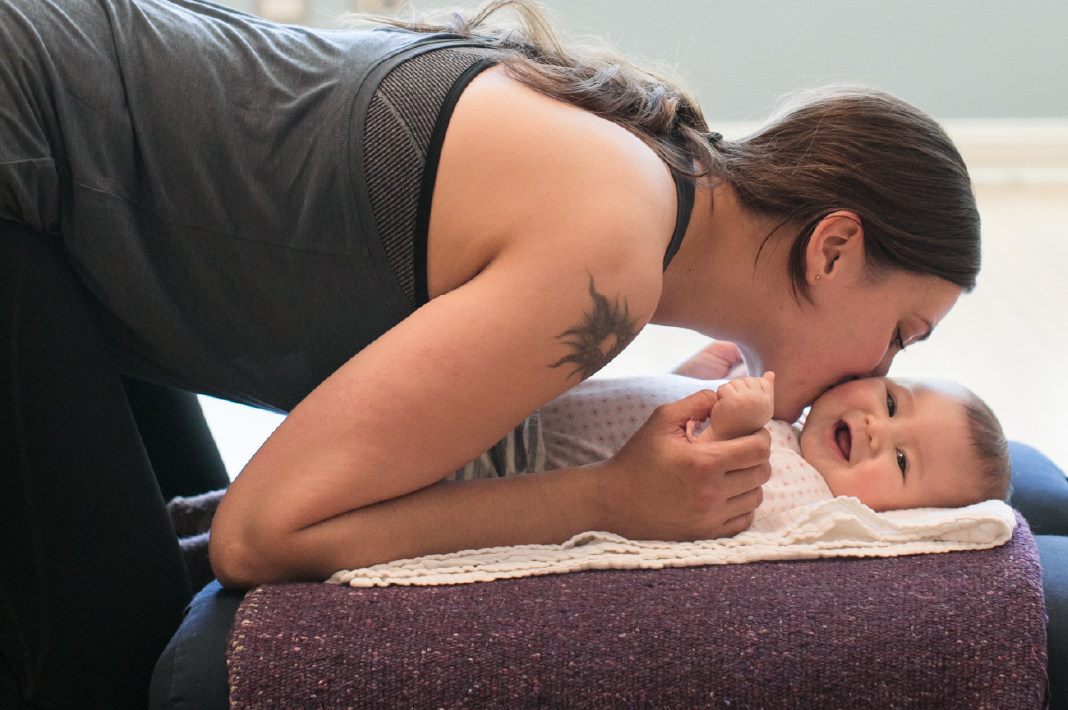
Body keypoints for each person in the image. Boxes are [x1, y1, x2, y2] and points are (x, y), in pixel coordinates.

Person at [0, 0, 981, 705]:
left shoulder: (631, 172)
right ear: (835, 246)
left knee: (171, 603)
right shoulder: (610, 253)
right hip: (23, 168)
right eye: (903, 334)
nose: (883, 374)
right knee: (121, 665)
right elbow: (259, 535)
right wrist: (608, 501)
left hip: (63, 181)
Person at [536, 373, 1010, 518]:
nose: (875, 429)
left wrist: (727, 427)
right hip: (534, 401)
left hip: (525, 465)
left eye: (903, 461)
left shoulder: (807, 497)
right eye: (889, 401)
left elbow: (696, 487)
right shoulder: (792, 424)